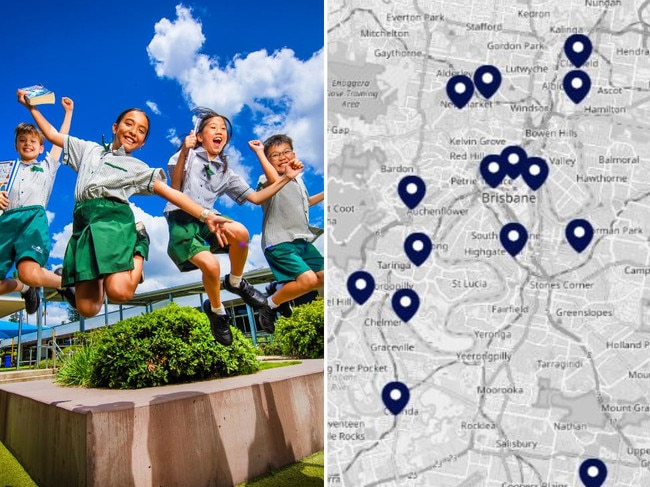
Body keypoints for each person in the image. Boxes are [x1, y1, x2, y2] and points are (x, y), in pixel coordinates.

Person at [18, 92, 233, 320]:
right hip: (85, 225)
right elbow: (51, 135)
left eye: (141, 130)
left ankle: (140, 241)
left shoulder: (137, 167)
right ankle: (96, 274)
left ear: (142, 143)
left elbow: (170, 192)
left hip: (114, 222)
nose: (134, 131)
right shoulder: (88, 149)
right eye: (129, 124)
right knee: (87, 309)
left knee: (120, 292)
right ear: (115, 127)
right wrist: (32, 107)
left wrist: (205, 214)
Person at [165, 108, 302, 345]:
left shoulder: (225, 171)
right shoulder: (184, 156)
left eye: (223, 130)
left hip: (211, 220)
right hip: (182, 216)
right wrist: (185, 151)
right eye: (213, 128)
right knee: (211, 265)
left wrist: (287, 177)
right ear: (199, 136)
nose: (220, 132)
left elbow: (257, 198)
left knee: (240, 234)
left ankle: (236, 281)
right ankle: (217, 311)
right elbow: (176, 189)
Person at [0, 97, 75, 315]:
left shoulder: (46, 166)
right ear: (16, 145)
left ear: (41, 147)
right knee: (21, 280)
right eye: (22, 140)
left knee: (28, 272)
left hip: (32, 220)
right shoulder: (5, 171)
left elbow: (60, 139)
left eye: (33, 141)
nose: (27, 143)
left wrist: (68, 113)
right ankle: (25, 289)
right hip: (5, 223)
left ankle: (64, 283)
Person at [248, 134, 324, 333]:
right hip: (279, 241)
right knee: (307, 280)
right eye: (274, 155)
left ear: (294, 154)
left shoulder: (299, 181)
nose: (281, 157)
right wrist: (259, 153)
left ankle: (277, 289)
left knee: (324, 277)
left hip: (301, 240)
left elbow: (305, 202)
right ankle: (269, 305)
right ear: (268, 160)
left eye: (285, 152)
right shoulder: (265, 179)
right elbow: (275, 181)